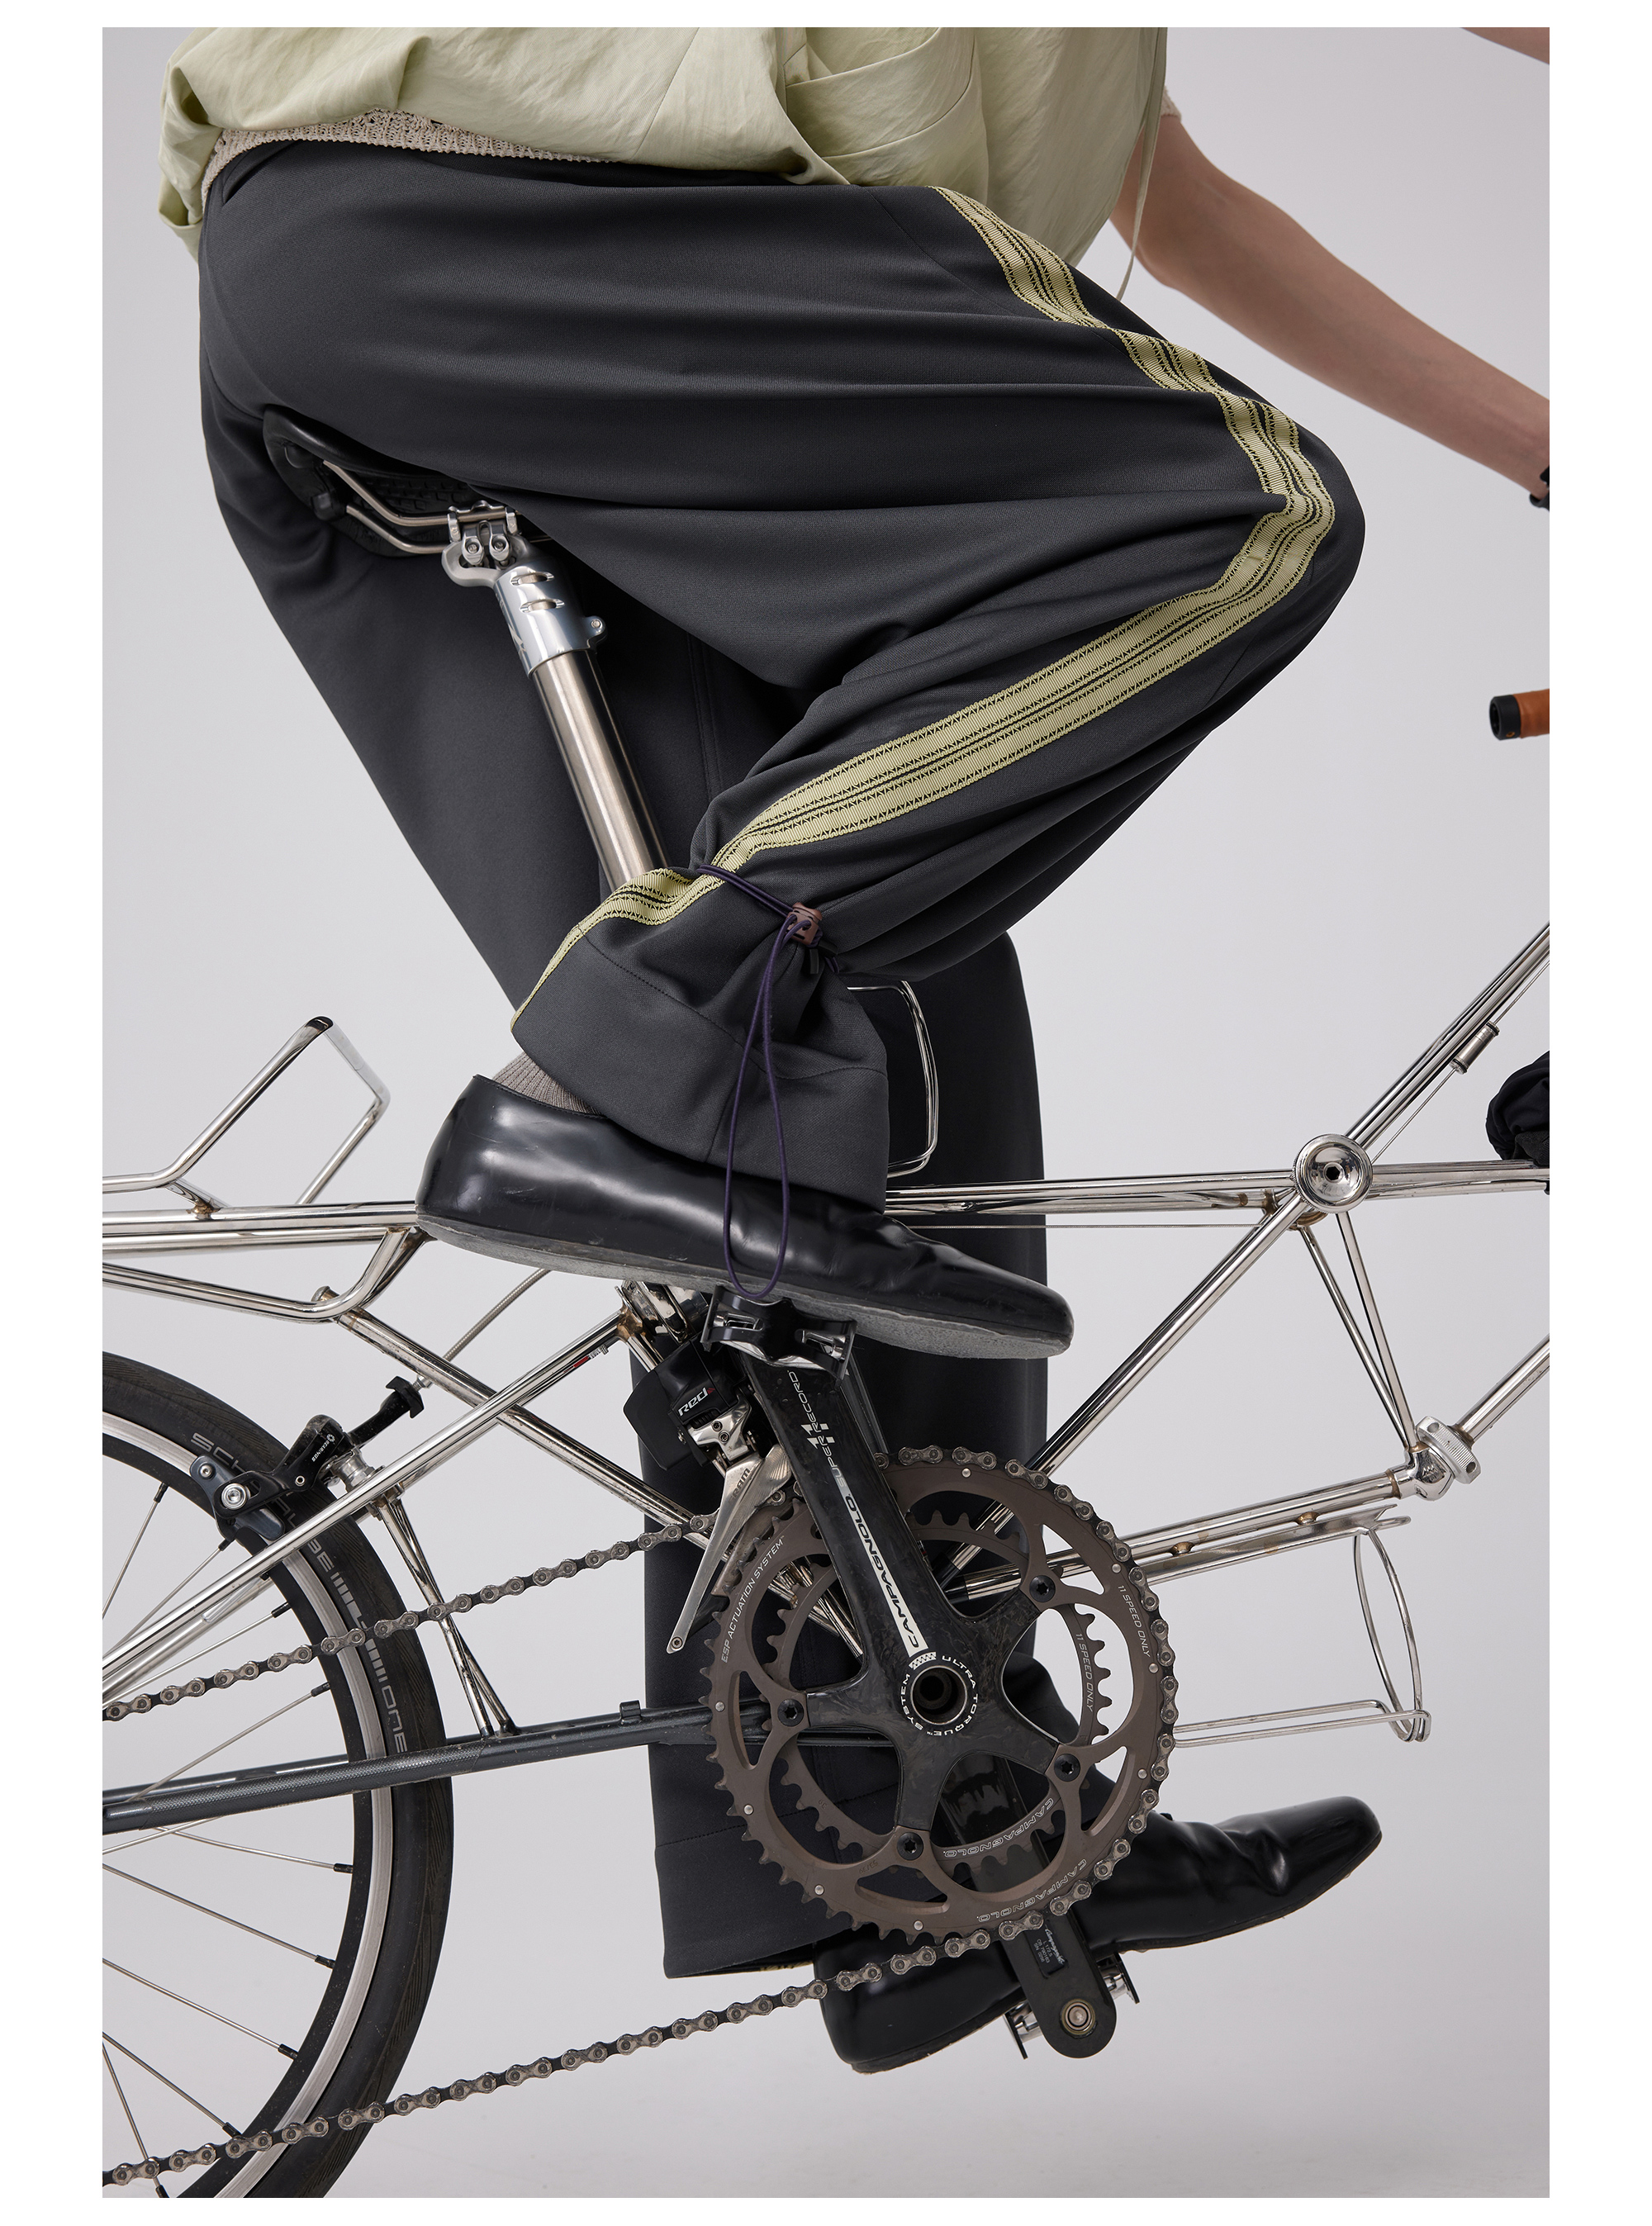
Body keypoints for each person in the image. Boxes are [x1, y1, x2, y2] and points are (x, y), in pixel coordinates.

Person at [157, 26, 1545, 2071]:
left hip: (426, 301)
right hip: (486, 232)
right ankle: (610, 1049)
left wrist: (1562, 455)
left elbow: (1178, 207)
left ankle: (934, 1861)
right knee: (1231, 513)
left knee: (862, 1067)